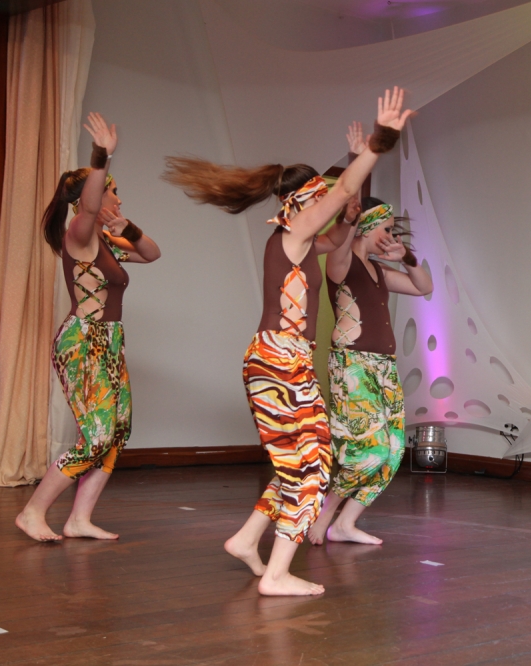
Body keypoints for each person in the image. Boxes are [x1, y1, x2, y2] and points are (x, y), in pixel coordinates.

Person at [163, 88, 411, 596]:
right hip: (279, 360)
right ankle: (276, 575)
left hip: (282, 360)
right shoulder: (293, 229)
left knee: (298, 462)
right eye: (321, 195)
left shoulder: (298, 239)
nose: (327, 202)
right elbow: (342, 195)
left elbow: (338, 232)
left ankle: (246, 539)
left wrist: (351, 201)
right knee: (314, 465)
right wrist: (378, 143)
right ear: (304, 199)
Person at [16, 112, 162, 542]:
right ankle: (32, 512)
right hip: (82, 342)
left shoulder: (108, 242)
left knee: (117, 432)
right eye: (113, 191)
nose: (118, 198)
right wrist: (102, 157)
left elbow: (152, 253)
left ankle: (79, 519)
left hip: (109, 342)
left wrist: (127, 227)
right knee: (97, 436)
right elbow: (92, 206)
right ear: (92, 197)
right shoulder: (78, 235)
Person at [307, 155, 433, 545]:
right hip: (353, 364)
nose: (392, 235)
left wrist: (406, 258)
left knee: (392, 452)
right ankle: (324, 514)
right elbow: (341, 243)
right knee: (369, 451)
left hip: (384, 366)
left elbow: (423, 287)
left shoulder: (379, 270)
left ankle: (345, 524)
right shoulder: (341, 264)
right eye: (387, 228)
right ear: (366, 225)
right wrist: (351, 211)